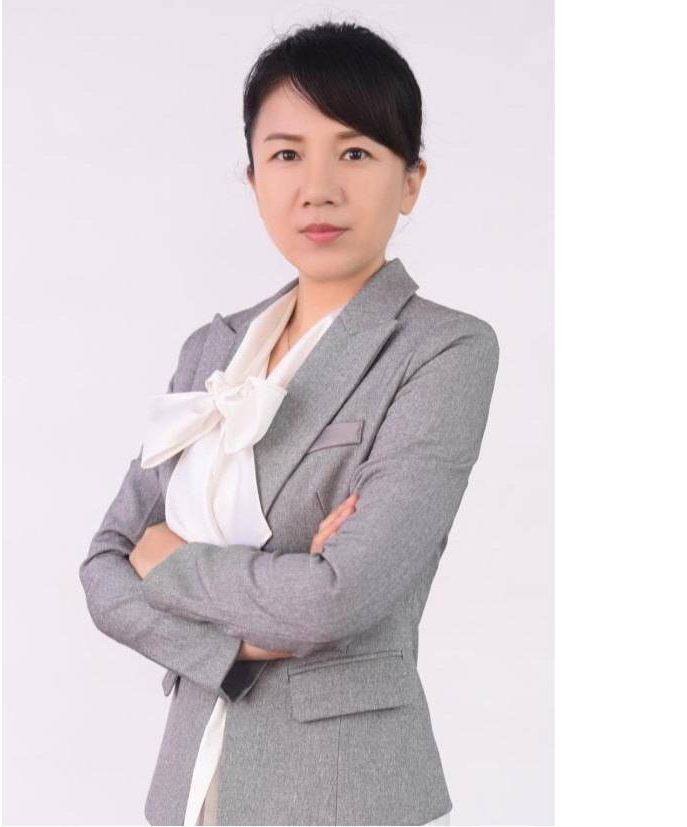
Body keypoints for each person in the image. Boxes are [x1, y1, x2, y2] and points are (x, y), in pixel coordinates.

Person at [79, 21, 499, 825]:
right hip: (191, 783)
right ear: (252, 178)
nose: (318, 187)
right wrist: (242, 640)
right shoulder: (212, 348)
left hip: (343, 792)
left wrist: (168, 559)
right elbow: (103, 569)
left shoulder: (444, 349)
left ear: (411, 181)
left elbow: (332, 600)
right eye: (285, 154)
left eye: (355, 152)